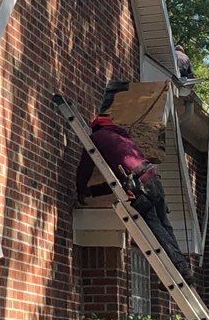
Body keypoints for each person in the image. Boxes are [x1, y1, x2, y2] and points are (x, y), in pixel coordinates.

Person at [75, 106, 193, 277]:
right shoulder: (124, 139)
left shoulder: (97, 138)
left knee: (155, 228)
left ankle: (179, 269)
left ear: (96, 128)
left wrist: (81, 190)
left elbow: (85, 168)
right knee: (166, 226)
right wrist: (92, 192)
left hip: (141, 188)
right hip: (154, 180)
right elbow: (119, 181)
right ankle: (182, 268)